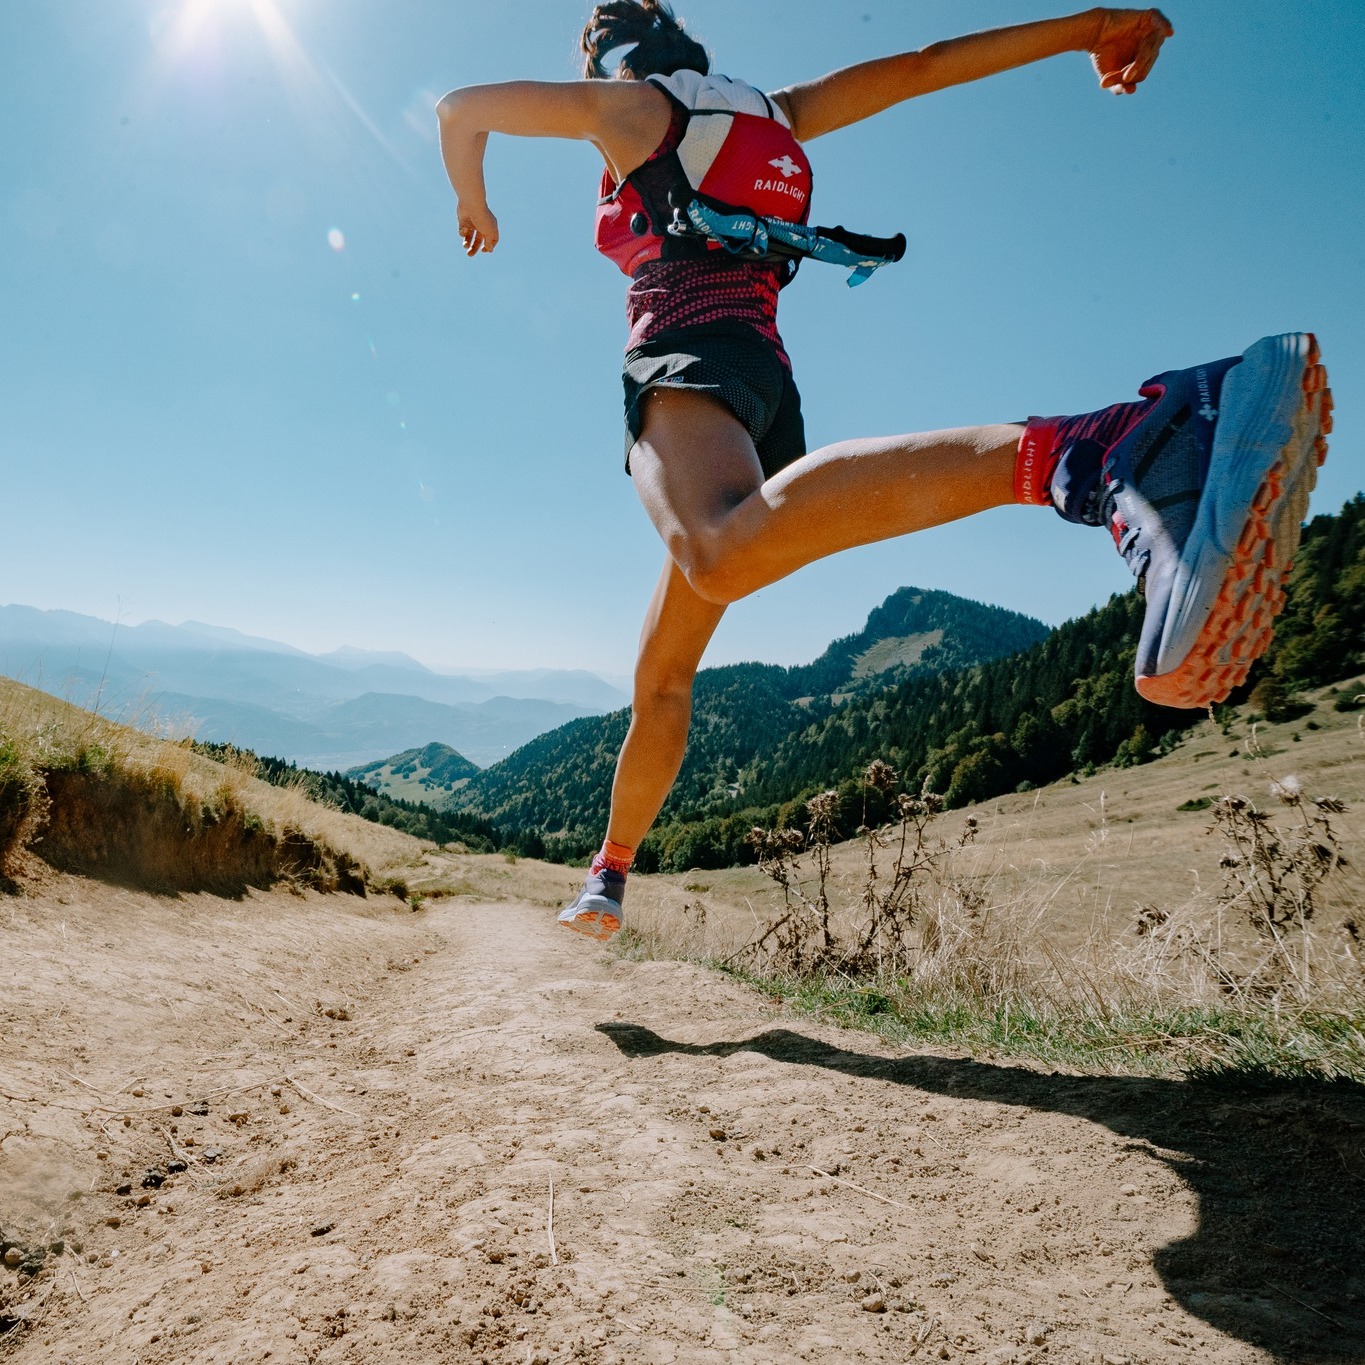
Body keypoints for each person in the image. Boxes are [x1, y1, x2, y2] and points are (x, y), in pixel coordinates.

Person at [437, 3, 1332, 941]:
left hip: (686, 358)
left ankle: (1110, 445)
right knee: (663, 670)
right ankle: (608, 873)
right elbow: (924, 64)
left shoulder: (627, 112)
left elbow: (459, 108)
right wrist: (1090, 27)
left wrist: (474, 201)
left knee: (714, 554)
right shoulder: (773, 112)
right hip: (761, 384)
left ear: (610, 62)